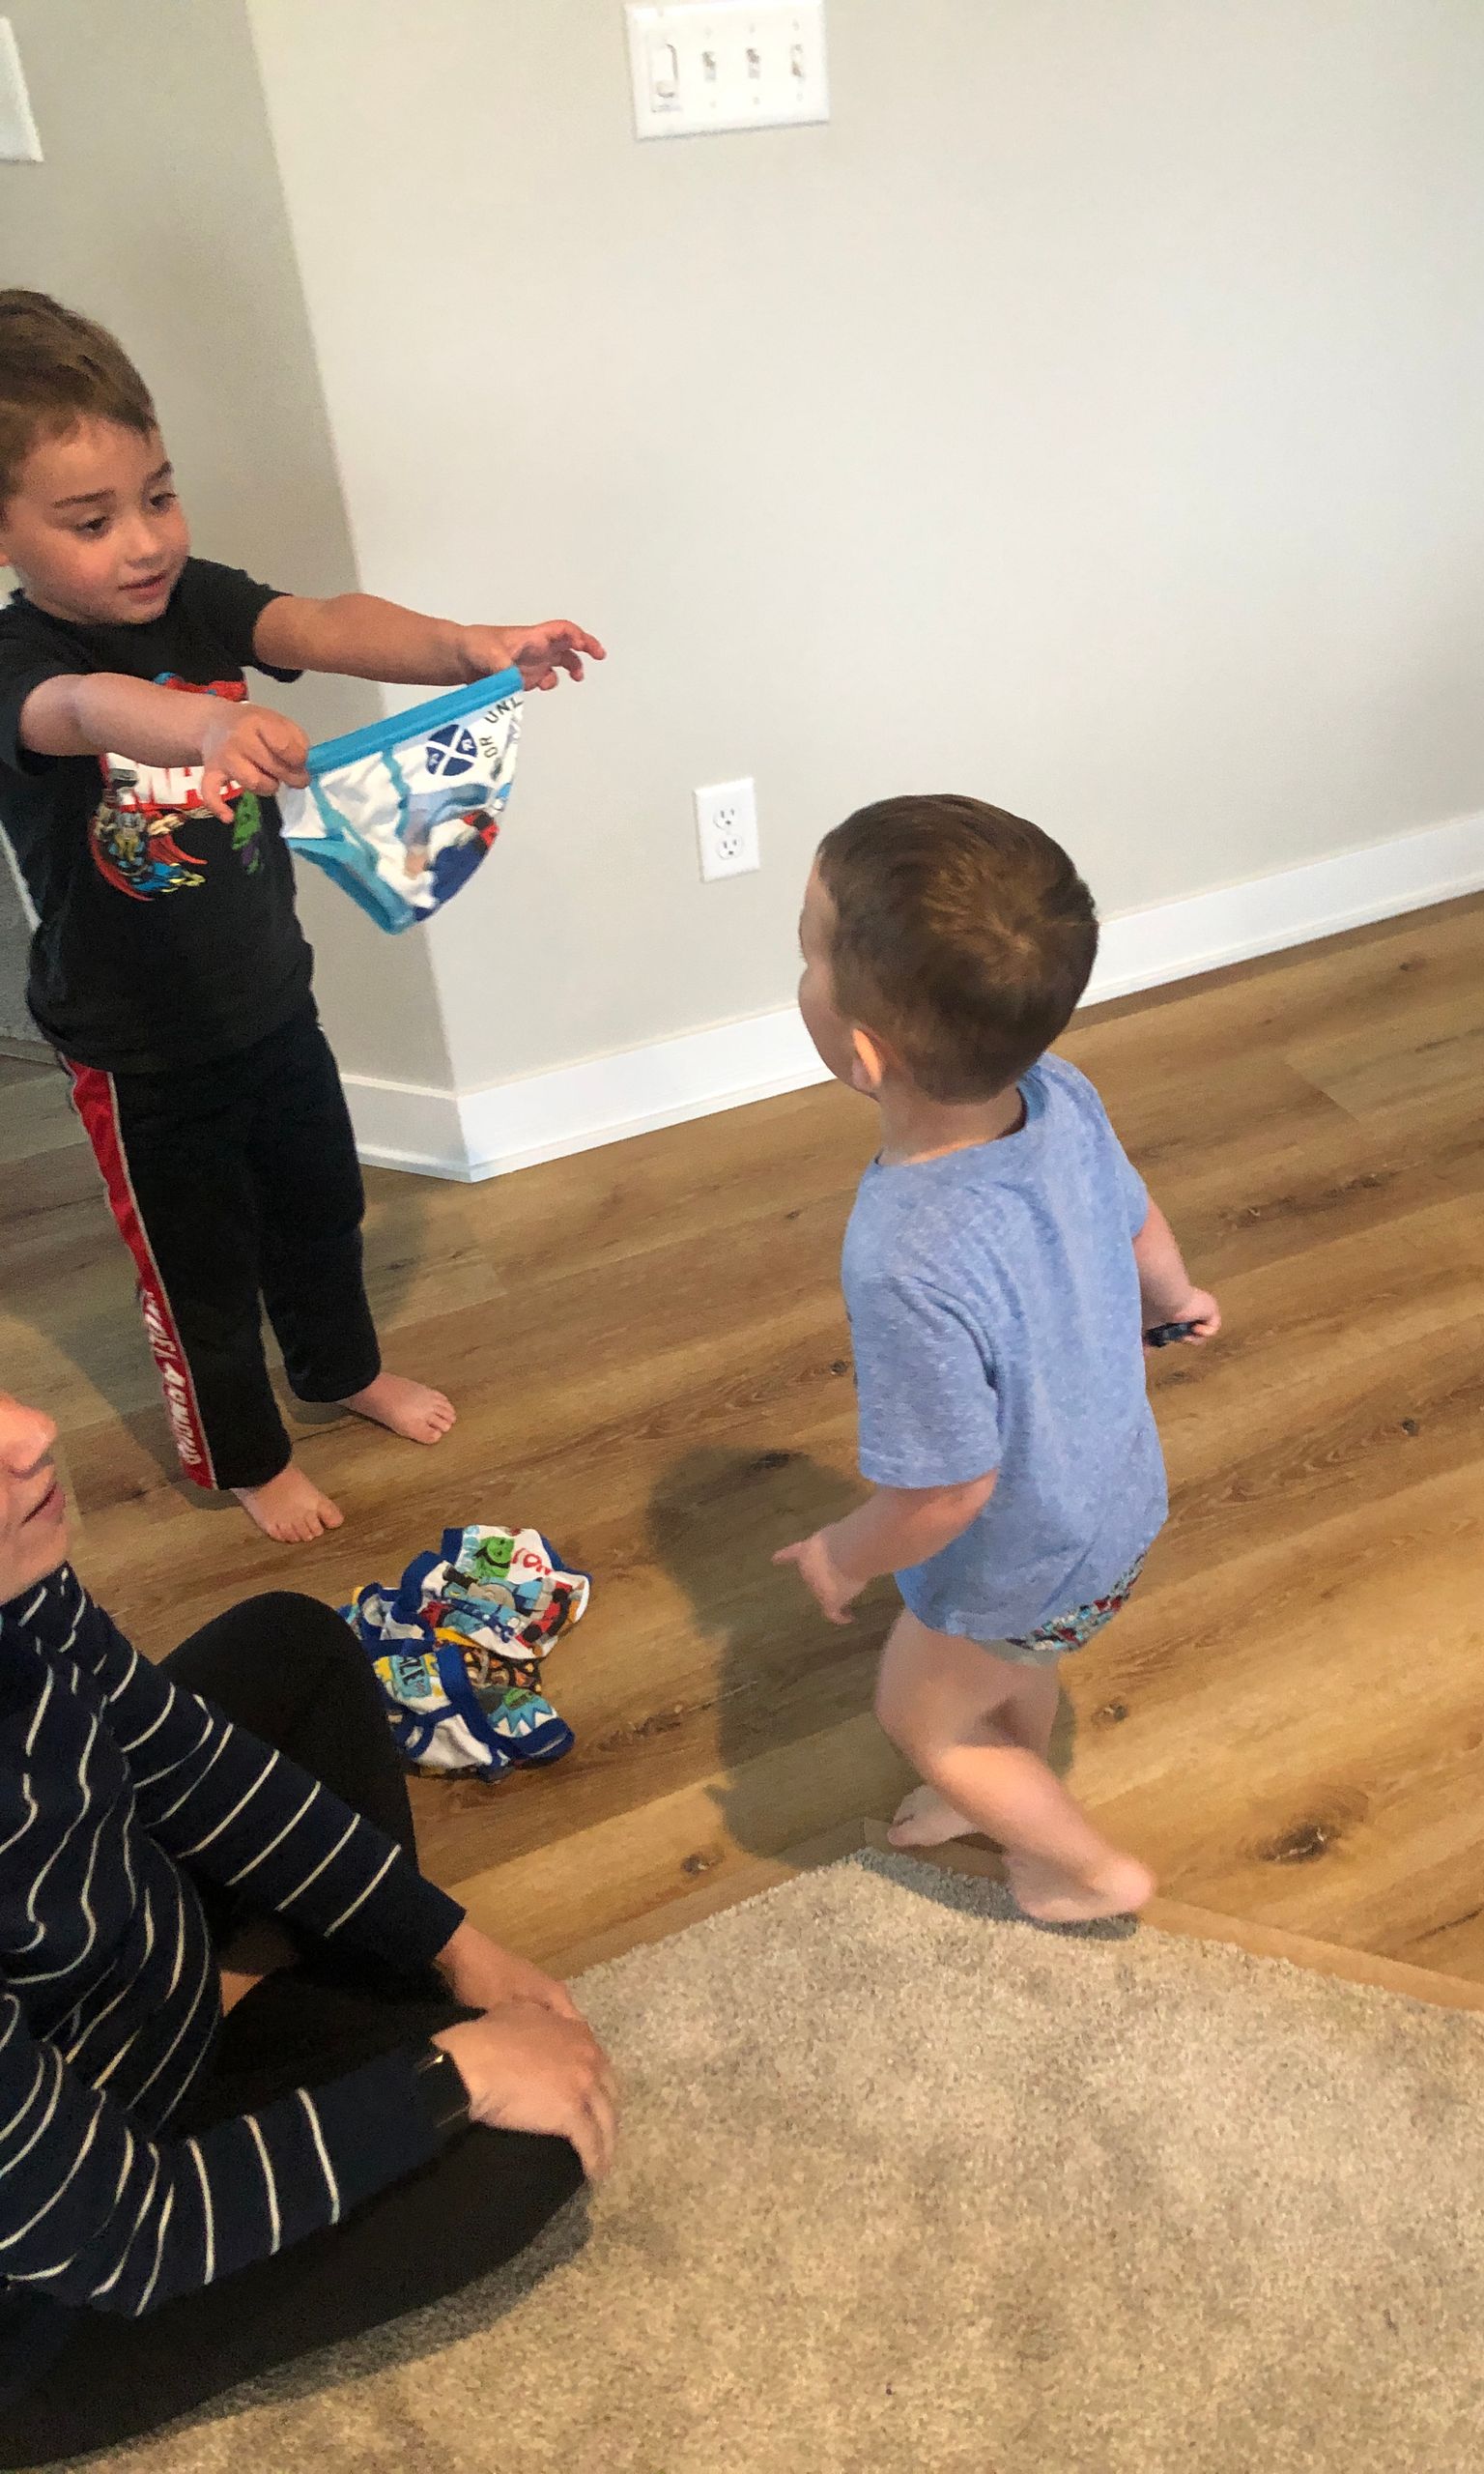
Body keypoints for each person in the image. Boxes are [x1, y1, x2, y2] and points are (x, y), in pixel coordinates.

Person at [0, 289, 606, 1544]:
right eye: (92, 521)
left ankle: (338, 1369)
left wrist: (469, 645)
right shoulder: (19, 666)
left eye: (159, 496)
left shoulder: (198, 601)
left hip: (273, 1002)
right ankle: (247, 1455)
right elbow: (86, 712)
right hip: (139, 1055)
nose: (144, 542)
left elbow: (324, 624)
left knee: (322, 1207)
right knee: (201, 1281)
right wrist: (208, 723)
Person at [0, 1389, 617, 2461]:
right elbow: (129, 2233)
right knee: (523, 2149)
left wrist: (450, 1940)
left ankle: (300, 2017)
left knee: (296, 1644)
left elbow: (176, 1754)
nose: (32, 1429)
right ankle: (322, 2031)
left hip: (103, 1988)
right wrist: (452, 2078)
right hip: (66, 2258)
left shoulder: (20, 1589)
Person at [774, 795, 1220, 1921]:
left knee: (920, 1714)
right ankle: (1003, 1784)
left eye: (808, 950)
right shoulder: (1061, 1093)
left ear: (864, 1055)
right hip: (1116, 1496)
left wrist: (841, 1554)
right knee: (1012, 1659)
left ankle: (1084, 1867)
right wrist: (1177, 1298)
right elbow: (1136, 1219)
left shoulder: (903, 1258)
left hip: (1022, 1546)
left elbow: (947, 1490)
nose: (802, 964)